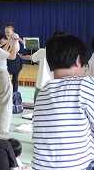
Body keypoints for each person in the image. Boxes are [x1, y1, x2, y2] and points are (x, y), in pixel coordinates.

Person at [32, 34, 94, 170]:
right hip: (76, 166)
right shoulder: (84, 84)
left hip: (39, 166)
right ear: (79, 60)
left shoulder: (43, 91)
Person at [4, 23, 23, 93]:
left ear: (12, 32)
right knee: (12, 78)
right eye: (5, 32)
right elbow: (10, 46)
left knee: (15, 79)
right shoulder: (9, 38)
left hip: (16, 53)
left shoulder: (15, 35)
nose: (7, 33)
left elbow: (17, 39)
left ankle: (15, 93)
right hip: (12, 52)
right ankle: (9, 91)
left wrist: (21, 41)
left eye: (8, 32)